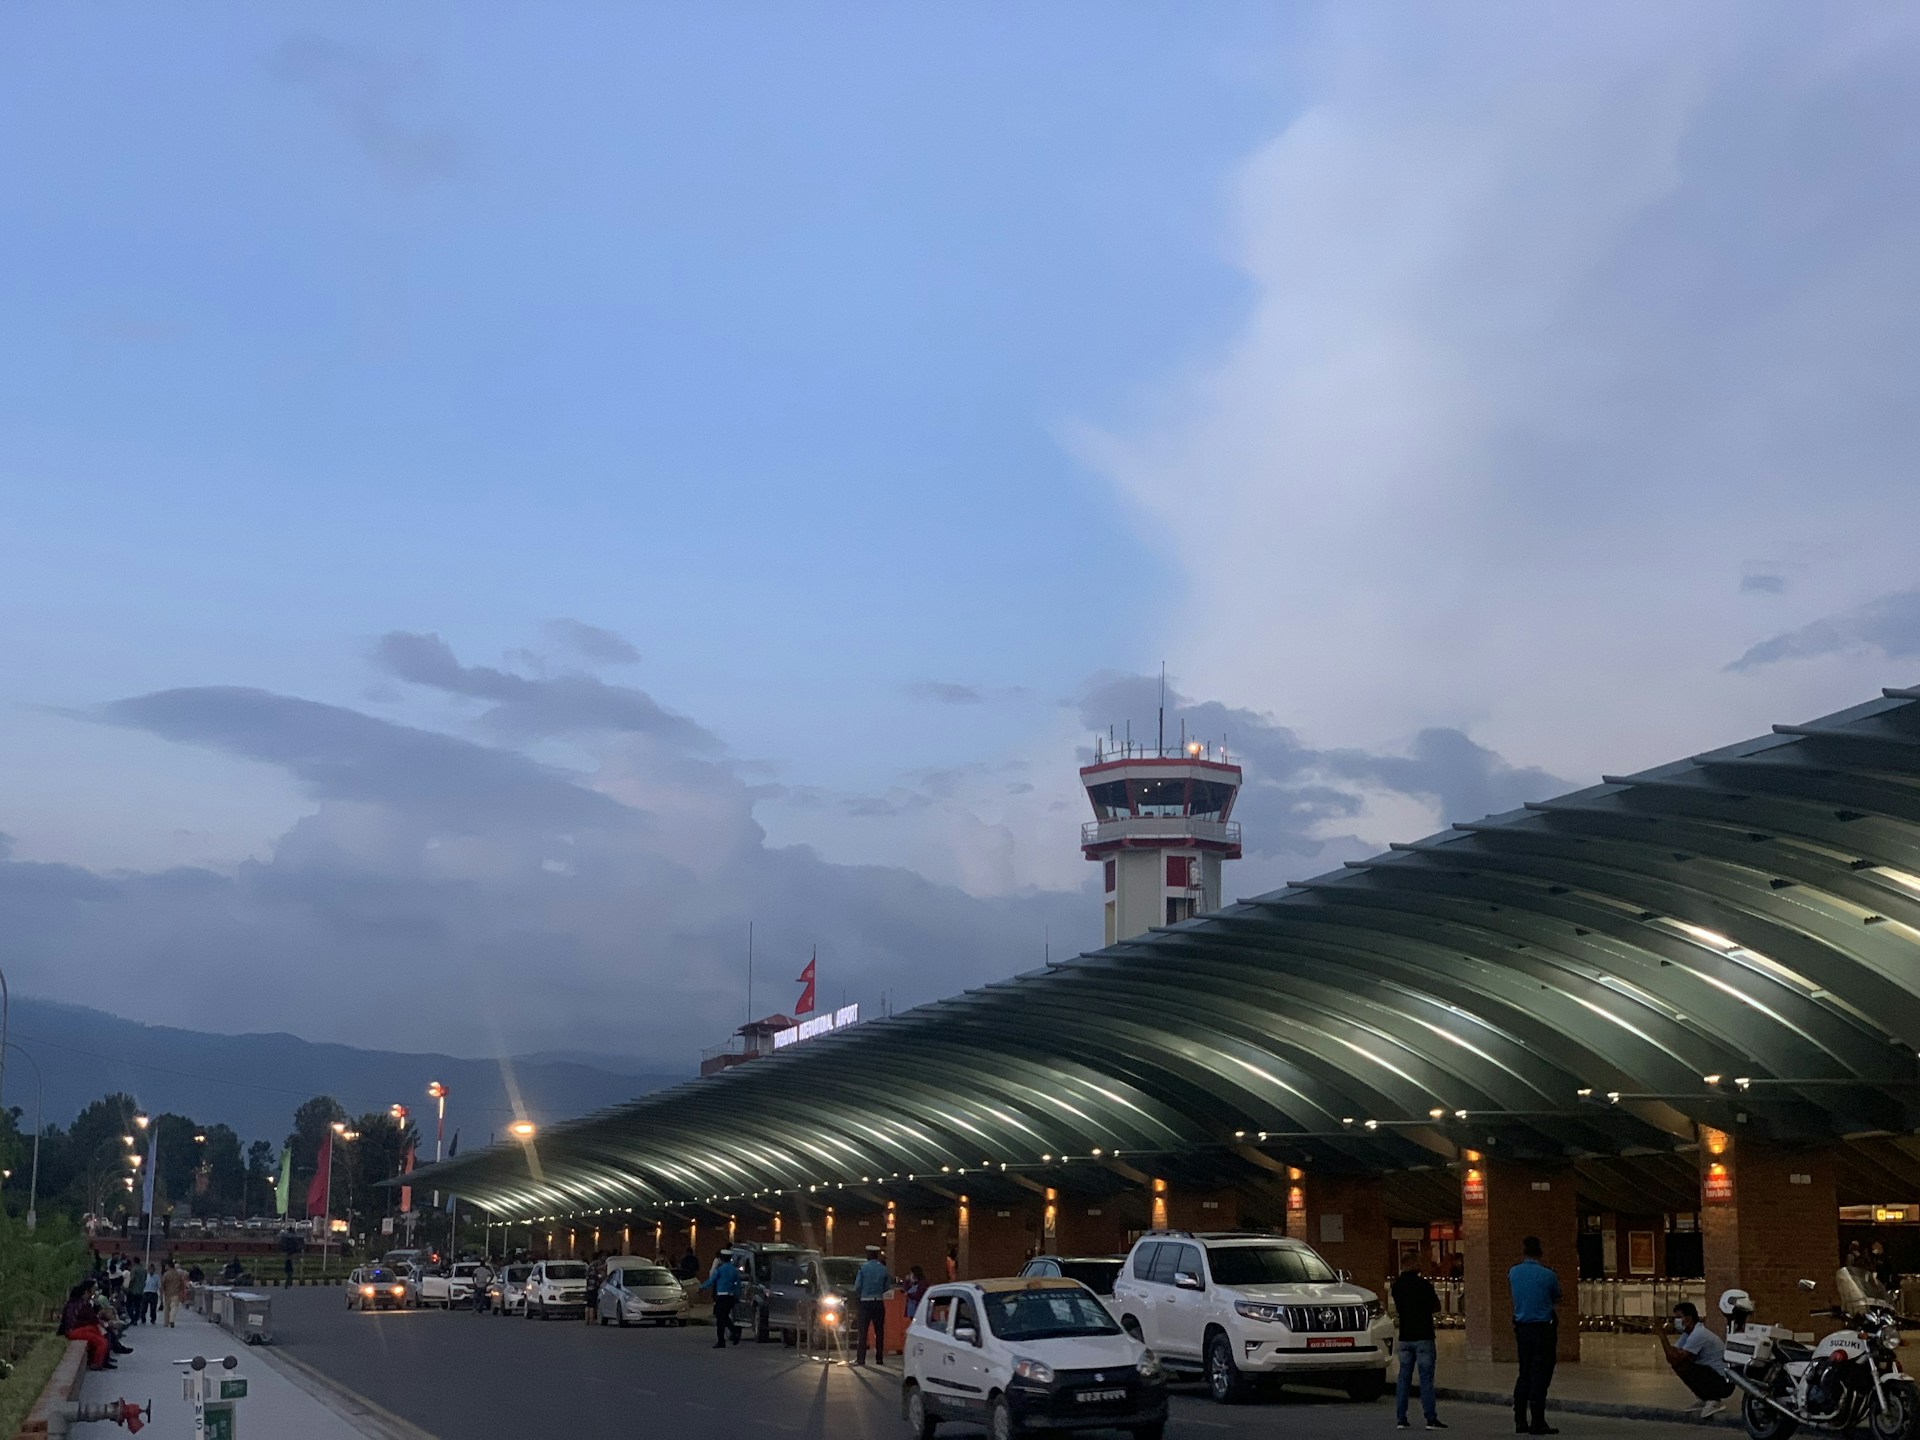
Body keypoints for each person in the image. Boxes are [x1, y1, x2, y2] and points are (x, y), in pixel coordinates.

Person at [1509, 1236, 1562, 1436]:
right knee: (1540, 1374)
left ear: (1523, 1251)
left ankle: (1520, 1420)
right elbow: (1557, 1296)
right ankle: (1537, 1421)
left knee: (1524, 1372)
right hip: (1543, 1329)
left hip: (1522, 1328)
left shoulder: (1513, 1272)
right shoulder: (1548, 1274)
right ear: (1540, 1252)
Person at [1391, 1261, 1447, 1430]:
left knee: (1403, 1378)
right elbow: (1436, 1306)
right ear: (1416, 1266)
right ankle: (1430, 1418)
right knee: (1426, 1379)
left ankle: (1401, 1418)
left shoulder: (1396, 1286)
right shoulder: (1424, 1285)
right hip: (1424, 1336)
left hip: (1405, 1336)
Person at [1659, 1302, 1735, 1420]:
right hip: (1713, 1376)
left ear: (1688, 1319)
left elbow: (1676, 1357)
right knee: (1680, 1365)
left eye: (1679, 1317)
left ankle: (1713, 1399)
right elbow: (1672, 1355)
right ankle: (1704, 1397)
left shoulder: (1698, 1334)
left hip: (1723, 1382)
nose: (1676, 1321)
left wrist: (1662, 1335)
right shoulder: (1688, 1334)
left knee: (1683, 1365)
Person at [60, 1283, 114, 1370]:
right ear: (86, 1292)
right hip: (75, 1330)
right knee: (101, 1341)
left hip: (75, 1329)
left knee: (100, 1333)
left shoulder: (75, 1303)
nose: (93, 1294)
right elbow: (92, 1319)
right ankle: (97, 1363)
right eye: (91, 1291)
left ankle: (99, 1360)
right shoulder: (83, 1305)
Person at [852, 1245, 891, 1367]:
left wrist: (861, 1294)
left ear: (868, 1255)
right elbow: (887, 1287)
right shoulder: (883, 1269)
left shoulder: (863, 1268)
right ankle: (879, 1358)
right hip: (878, 1301)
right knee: (879, 1331)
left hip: (865, 1302)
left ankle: (861, 1359)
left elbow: (857, 1286)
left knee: (863, 1331)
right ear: (877, 1255)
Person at [700, 1250, 741, 1348]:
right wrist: (737, 1296)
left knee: (720, 1319)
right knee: (725, 1316)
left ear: (721, 1259)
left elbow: (711, 1280)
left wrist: (702, 1287)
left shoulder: (720, 1269)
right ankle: (734, 1331)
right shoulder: (734, 1270)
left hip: (721, 1296)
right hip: (730, 1296)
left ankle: (722, 1340)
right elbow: (738, 1285)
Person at [160, 1260, 190, 1328]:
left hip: (167, 1293)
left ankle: (166, 1322)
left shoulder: (166, 1274)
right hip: (176, 1293)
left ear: (169, 1266)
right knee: (173, 1308)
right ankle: (172, 1320)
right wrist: (181, 1291)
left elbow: (162, 1284)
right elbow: (182, 1284)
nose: (165, 1267)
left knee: (167, 1308)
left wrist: (162, 1292)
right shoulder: (177, 1274)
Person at [124, 1259, 147, 1327]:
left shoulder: (134, 1269)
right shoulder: (143, 1270)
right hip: (140, 1290)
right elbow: (145, 1278)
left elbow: (132, 1279)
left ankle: (133, 1318)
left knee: (129, 1305)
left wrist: (129, 1286)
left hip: (133, 1290)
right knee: (138, 1306)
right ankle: (136, 1319)